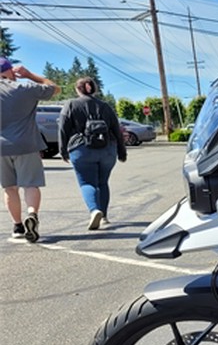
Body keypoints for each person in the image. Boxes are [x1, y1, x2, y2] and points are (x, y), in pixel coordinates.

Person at [0, 57, 60, 242]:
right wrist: (29, 75)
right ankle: (32, 214)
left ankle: (17, 227)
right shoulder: (24, 88)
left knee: (9, 188)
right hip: (26, 145)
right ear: (10, 71)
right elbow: (55, 89)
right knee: (30, 184)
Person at [59, 77, 127, 230]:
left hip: (81, 149)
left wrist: (63, 150)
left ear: (78, 89)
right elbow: (116, 129)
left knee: (87, 183)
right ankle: (104, 216)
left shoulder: (70, 104)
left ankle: (94, 210)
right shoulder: (105, 106)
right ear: (94, 89)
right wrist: (122, 151)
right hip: (107, 149)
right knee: (103, 182)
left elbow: (63, 129)